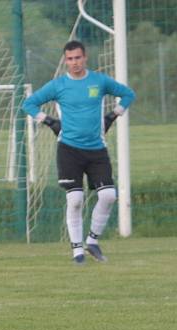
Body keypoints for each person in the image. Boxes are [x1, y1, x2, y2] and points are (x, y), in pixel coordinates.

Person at [23, 40, 135, 264]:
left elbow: (128, 94)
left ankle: (92, 241)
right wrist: (48, 121)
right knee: (75, 199)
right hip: (69, 150)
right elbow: (29, 104)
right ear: (66, 60)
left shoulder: (99, 81)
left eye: (78, 58)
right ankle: (77, 251)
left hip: (97, 149)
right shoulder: (58, 85)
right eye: (70, 58)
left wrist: (114, 114)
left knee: (108, 195)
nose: (74, 62)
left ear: (85, 58)